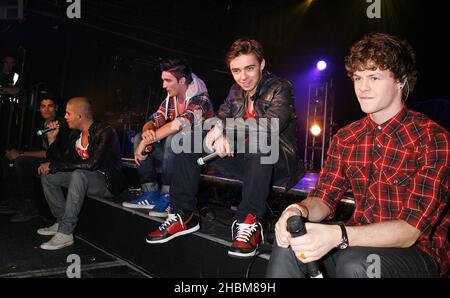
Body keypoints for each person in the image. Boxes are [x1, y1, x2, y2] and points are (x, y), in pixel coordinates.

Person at [266, 32, 450, 278]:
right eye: (357, 77)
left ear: (401, 81)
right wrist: (298, 210)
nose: (362, 87)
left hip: (419, 252)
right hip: (356, 241)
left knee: (356, 263)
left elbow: (410, 231)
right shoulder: (346, 137)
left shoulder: (433, 138)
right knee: (289, 248)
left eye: (374, 77)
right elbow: (323, 198)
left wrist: (338, 235)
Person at [146, 38, 304, 259]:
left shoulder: (280, 87)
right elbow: (220, 116)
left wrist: (228, 132)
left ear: (262, 64)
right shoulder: (235, 90)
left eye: (249, 68)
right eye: (236, 70)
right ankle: (184, 215)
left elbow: (270, 126)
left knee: (261, 144)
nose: (243, 77)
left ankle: (248, 223)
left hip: (276, 162)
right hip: (244, 159)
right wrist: (216, 129)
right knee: (186, 140)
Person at [121, 58, 214, 217]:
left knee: (174, 138)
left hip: (198, 159)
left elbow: (178, 125)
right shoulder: (171, 98)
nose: (164, 85)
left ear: (182, 80)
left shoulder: (201, 98)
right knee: (138, 137)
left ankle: (169, 195)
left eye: (168, 80)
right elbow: (153, 119)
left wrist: (146, 141)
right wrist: (147, 132)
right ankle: (151, 194)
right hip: (174, 155)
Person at [37, 97, 125, 250]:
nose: (64, 117)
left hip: (106, 183)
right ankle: (61, 221)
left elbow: (92, 164)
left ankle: (66, 232)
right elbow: (61, 162)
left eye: (68, 113)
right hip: (83, 178)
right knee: (48, 176)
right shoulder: (75, 136)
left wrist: (56, 165)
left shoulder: (105, 131)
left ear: (80, 116)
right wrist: (52, 139)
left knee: (79, 173)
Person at [0, 94, 67, 222]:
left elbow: (49, 153)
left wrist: (21, 154)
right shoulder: (41, 123)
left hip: (56, 161)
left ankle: (30, 207)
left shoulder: (60, 124)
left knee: (21, 161)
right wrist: (18, 152)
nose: (46, 109)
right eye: (43, 106)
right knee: (7, 158)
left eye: (50, 106)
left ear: (56, 108)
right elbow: (38, 150)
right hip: (47, 158)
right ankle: (15, 201)